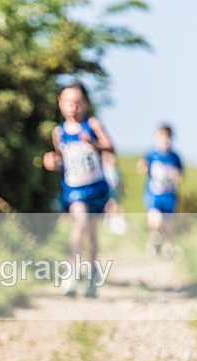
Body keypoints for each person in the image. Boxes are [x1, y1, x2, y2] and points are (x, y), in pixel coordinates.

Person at [43, 83, 116, 297]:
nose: (73, 107)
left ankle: (92, 273)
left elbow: (111, 147)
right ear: (60, 103)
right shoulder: (58, 132)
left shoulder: (92, 124)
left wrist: (94, 143)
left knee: (92, 234)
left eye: (77, 102)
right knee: (80, 224)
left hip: (96, 188)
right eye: (68, 102)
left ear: (86, 103)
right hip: (74, 188)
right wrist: (52, 162)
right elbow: (61, 159)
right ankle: (72, 272)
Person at [138, 124, 183, 258]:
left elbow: (181, 176)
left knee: (168, 224)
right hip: (153, 194)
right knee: (155, 218)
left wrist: (176, 174)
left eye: (166, 138)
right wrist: (143, 167)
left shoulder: (175, 157)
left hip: (169, 195)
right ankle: (155, 240)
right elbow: (141, 167)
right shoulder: (151, 154)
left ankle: (168, 247)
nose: (164, 141)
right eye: (161, 138)